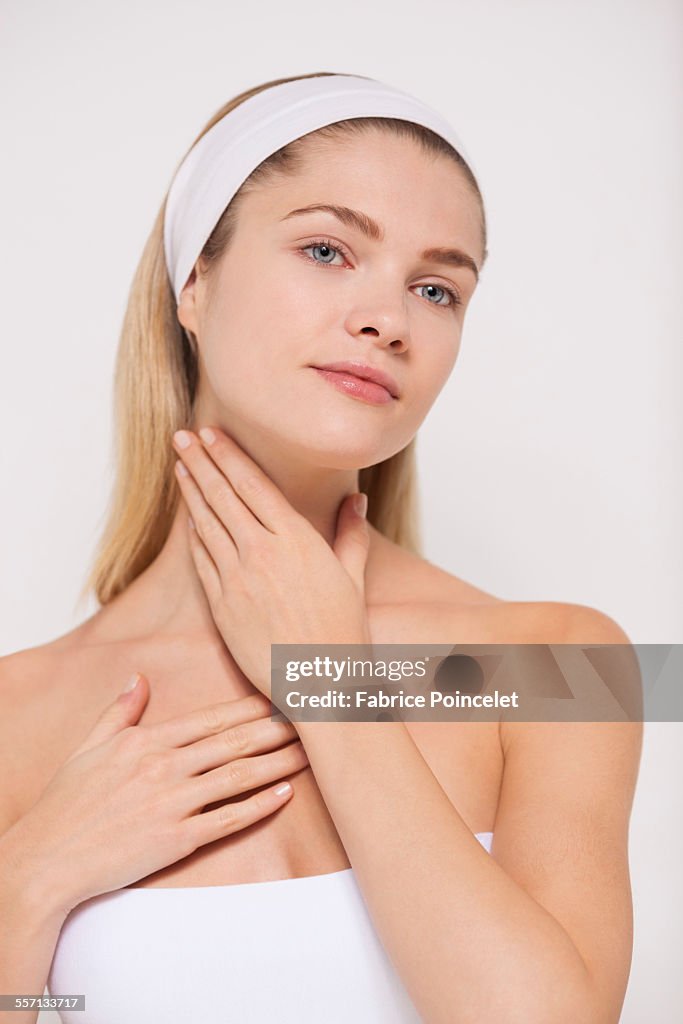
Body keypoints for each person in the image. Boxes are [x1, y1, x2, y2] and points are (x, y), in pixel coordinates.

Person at [0, 71, 642, 1024]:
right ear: (194, 282)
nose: (388, 319)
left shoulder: (565, 663)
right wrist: (24, 891)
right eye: (326, 248)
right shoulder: (19, 706)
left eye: (436, 288)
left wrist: (333, 689)